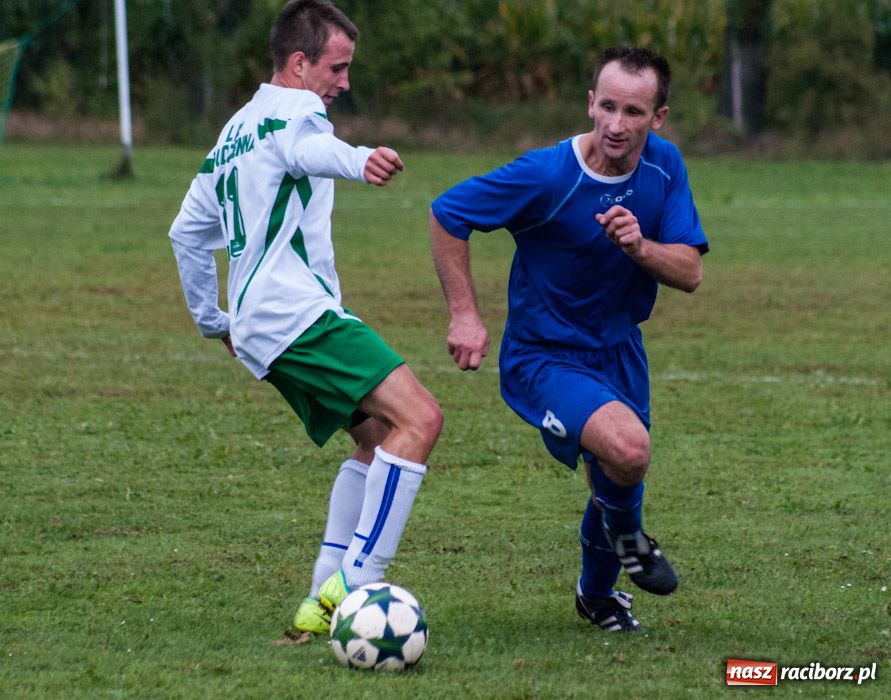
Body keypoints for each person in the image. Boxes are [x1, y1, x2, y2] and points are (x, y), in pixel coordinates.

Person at [168, 0, 443, 643]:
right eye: (337, 68)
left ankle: (318, 603)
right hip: (298, 315)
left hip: (263, 323)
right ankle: (354, 583)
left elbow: (187, 232)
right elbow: (314, 148)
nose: (344, 82)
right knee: (422, 419)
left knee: (378, 439)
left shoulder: (235, 129)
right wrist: (363, 158)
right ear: (300, 63)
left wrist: (216, 321)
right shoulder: (297, 113)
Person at [429, 46, 708, 633]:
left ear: (657, 117)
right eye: (606, 106)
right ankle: (630, 540)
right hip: (544, 356)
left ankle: (597, 595)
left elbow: (689, 271)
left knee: (617, 470)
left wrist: (640, 248)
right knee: (628, 449)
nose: (615, 124)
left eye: (633, 112)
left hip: (620, 351)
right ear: (589, 103)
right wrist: (464, 315)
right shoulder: (547, 174)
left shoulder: (665, 166)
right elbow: (448, 212)